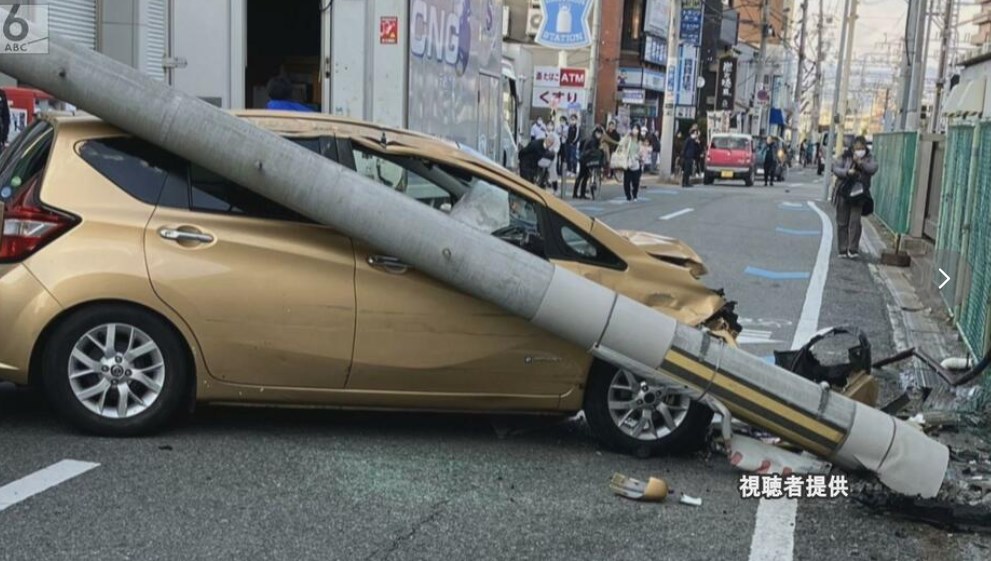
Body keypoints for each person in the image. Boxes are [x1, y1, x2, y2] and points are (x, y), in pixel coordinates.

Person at [832, 136, 878, 259]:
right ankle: (842, 249)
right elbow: (835, 168)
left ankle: (853, 249)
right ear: (852, 148)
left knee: (855, 222)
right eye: (857, 148)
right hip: (844, 191)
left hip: (859, 194)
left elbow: (873, 168)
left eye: (862, 148)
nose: (860, 150)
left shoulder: (868, 158)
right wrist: (847, 172)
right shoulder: (845, 156)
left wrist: (861, 163)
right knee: (842, 221)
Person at [573, 127, 605, 199]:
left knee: (584, 176)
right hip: (586, 159)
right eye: (598, 133)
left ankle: (578, 193)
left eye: (600, 134)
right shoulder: (593, 140)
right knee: (583, 176)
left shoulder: (592, 138)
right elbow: (593, 150)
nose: (599, 135)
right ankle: (580, 194)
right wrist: (600, 150)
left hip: (585, 159)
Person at [618, 126, 644, 201]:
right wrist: (627, 135)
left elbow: (641, 152)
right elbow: (621, 144)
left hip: (636, 162)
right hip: (627, 162)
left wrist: (639, 156)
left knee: (636, 181)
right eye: (634, 128)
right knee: (627, 181)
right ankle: (628, 195)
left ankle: (634, 193)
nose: (635, 130)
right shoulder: (628, 139)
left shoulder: (639, 141)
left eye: (636, 129)